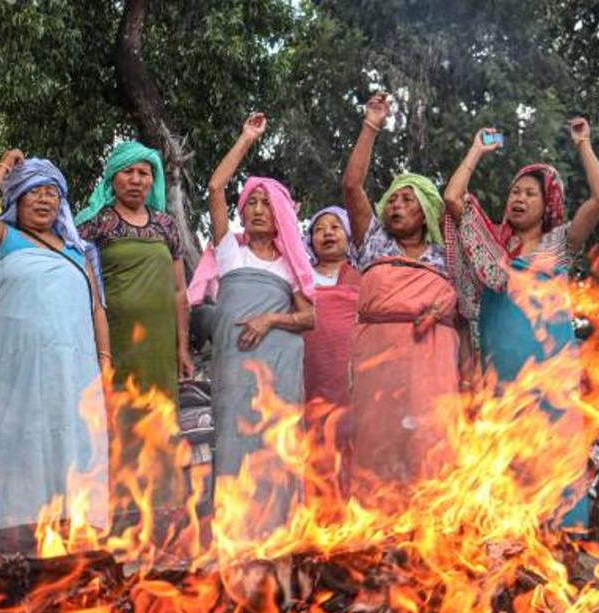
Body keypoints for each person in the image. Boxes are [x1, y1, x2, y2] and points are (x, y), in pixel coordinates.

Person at [443, 119, 599, 526]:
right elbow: (452, 198)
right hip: (500, 380)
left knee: (555, 460)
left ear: (547, 201)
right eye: (515, 191)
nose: (518, 198)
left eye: (529, 193)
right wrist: (477, 151)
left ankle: (563, 543)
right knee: (503, 469)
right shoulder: (490, 250)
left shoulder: (559, 247)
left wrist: (583, 143)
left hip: (551, 379)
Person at [0, 151, 110, 542]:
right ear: (17, 199)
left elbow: (96, 309)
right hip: (15, 373)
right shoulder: (1, 238)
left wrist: (105, 360)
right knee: (17, 439)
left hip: (73, 372)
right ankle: (14, 534)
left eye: (51, 193)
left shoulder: (78, 252)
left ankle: (73, 534)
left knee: (73, 440)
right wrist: (3, 168)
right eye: (33, 192)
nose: (44, 200)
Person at [190, 113, 316, 535]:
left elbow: (308, 317)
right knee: (233, 441)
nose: (258, 210)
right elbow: (214, 187)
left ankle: (279, 535)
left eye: (266, 203)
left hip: (279, 366)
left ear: (280, 213)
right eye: (252, 204)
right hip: (236, 367)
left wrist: (270, 318)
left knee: (277, 445)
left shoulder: (288, 264)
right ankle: (235, 537)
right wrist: (246, 137)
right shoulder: (230, 252)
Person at [341, 92, 466, 492]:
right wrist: (371, 124)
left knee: (429, 444)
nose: (395, 206)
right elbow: (351, 185)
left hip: (432, 363)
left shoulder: (447, 254)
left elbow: (463, 313)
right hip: (378, 357)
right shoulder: (375, 243)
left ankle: (431, 542)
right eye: (391, 199)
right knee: (378, 443)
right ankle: (376, 542)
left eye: (407, 200)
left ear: (426, 211)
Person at [76, 140, 192, 516]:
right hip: (116, 341)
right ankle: (121, 509)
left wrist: (182, 347)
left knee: (160, 420)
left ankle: (164, 508)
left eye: (145, 173)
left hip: (160, 346)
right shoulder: (96, 222)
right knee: (119, 419)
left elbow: (179, 291)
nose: (137, 180)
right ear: (113, 177)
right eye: (129, 171)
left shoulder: (166, 225)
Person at [301, 206, 360, 493]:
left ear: (348, 236)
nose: (327, 233)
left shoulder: (361, 278)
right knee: (312, 443)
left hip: (349, 376)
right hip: (308, 373)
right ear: (309, 239)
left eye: (335, 227)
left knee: (351, 441)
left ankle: (352, 514)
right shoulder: (299, 279)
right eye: (319, 228)